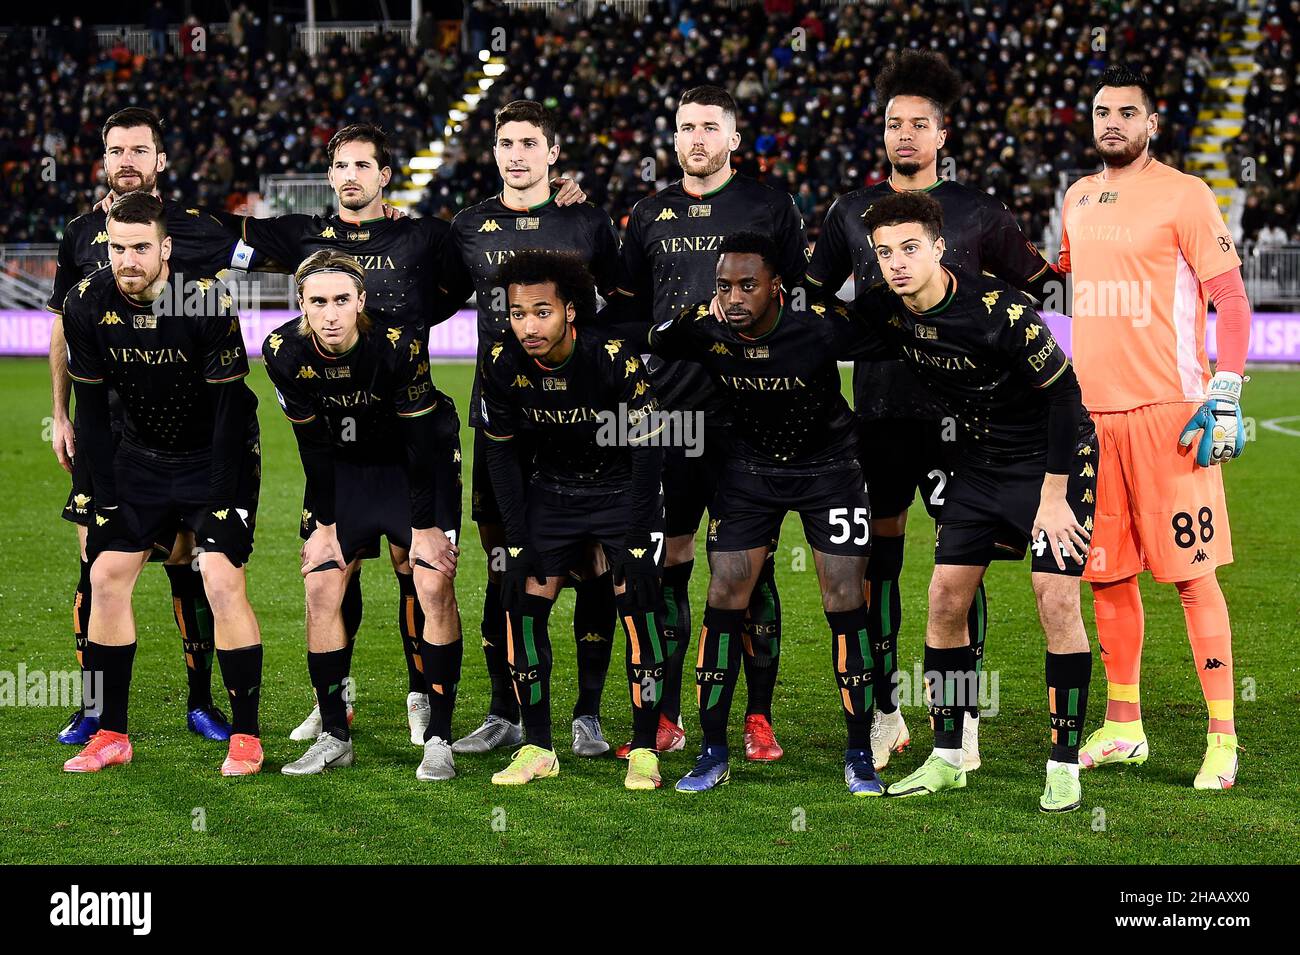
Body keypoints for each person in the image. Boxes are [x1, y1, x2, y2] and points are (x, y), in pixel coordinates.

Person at [804, 50, 1060, 771]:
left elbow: (1040, 290)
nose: (906, 134)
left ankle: (962, 716)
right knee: (878, 565)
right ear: (881, 134)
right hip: (881, 418)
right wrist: (855, 332)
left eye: (920, 124)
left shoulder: (981, 212)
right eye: (894, 124)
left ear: (943, 135)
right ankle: (886, 709)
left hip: (967, 425)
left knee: (961, 568)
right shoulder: (849, 212)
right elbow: (812, 297)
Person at [855, 192, 1098, 813]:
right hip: (981, 461)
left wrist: (1053, 496)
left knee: (1057, 599)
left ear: (939, 248)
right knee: (944, 597)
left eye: (910, 248)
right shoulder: (886, 309)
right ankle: (948, 755)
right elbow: (817, 329)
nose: (897, 263)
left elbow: (1067, 398)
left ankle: (1064, 761)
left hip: (1053, 460)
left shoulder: (1002, 310)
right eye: (885, 253)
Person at [1049, 67, 1251, 789]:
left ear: (1151, 122)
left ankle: (1222, 737)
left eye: (1127, 113)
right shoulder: (1076, 197)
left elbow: (1230, 297)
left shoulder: (1185, 194)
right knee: (1108, 576)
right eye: (1102, 111)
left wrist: (1224, 390)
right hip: (1091, 417)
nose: (1112, 123)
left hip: (1170, 414)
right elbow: (1064, 276)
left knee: (1193, 579)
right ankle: (1125, 723)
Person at [640, 233, 884, 797]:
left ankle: (858, 753)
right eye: (723, 286)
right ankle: (712, 751)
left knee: (844, 599)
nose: (733, 298)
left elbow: (893, 335)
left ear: (777, 287)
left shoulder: (820, 325)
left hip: (829, 470)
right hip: (747, 472)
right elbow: (646, 337)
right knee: (724, 592)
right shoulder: (704, 326)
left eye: (747, 285)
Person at [47, 107, 258, 746]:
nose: (128, 160)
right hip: (116, 425)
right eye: (117, 150)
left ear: (160, 160)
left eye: (140, 149)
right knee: (98, 568)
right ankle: (97, 710)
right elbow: (62, 324)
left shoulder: (196, 231)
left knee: (193, 566)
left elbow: (270, 245)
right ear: (104, 159)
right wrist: (60, 413)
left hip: (192, 425)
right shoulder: (81, 236)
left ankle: (204, 702)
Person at [619, 85, 810, 762]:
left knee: (748, 568)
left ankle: (758, 718)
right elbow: (626, 310)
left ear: (734, 137)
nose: (695, 138)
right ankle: (666, 716)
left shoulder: (769, 205)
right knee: (667, 563)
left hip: (750, 421)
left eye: (709, 127)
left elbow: (801, 303)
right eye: (684, 127)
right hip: (669, 421)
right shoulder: (648, 213)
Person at [442, 101, 625, 759]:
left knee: (595, 566)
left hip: (582, 426)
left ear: (553, 153)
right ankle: (506, 712)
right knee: (503, 568)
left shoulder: (586, 220)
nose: (515, 154)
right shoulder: (468, 226)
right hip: (502, 425)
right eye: (505, 143)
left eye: (529, 143)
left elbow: (624, 303)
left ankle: (588, 715)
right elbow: (425, 293)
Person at [263, 250, 464, 779]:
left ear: (361, 302)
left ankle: (438, 736)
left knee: (432, 582)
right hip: (344, 470)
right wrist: (324, 527)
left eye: (342, 301)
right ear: (301, 304)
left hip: (413, 463)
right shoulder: (282, 351)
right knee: (321, 586)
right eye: (318, 302)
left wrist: (424, 529)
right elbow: (312, 447)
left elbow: (420, 444)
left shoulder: (398, 345)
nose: (330, 315)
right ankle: (334, 734)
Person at [478, 251, 667, 790]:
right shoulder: (501, 361)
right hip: (552, 495)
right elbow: (501, 457)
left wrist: (634, 537)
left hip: (621, 492)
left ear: (570, 311)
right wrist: (515, 539)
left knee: (641, 612)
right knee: (522, 607)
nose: (529, 326)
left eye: (542, 312)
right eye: (518, 313)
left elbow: (648, 452)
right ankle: (538, 746)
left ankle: (646, 749)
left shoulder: (612, 357)